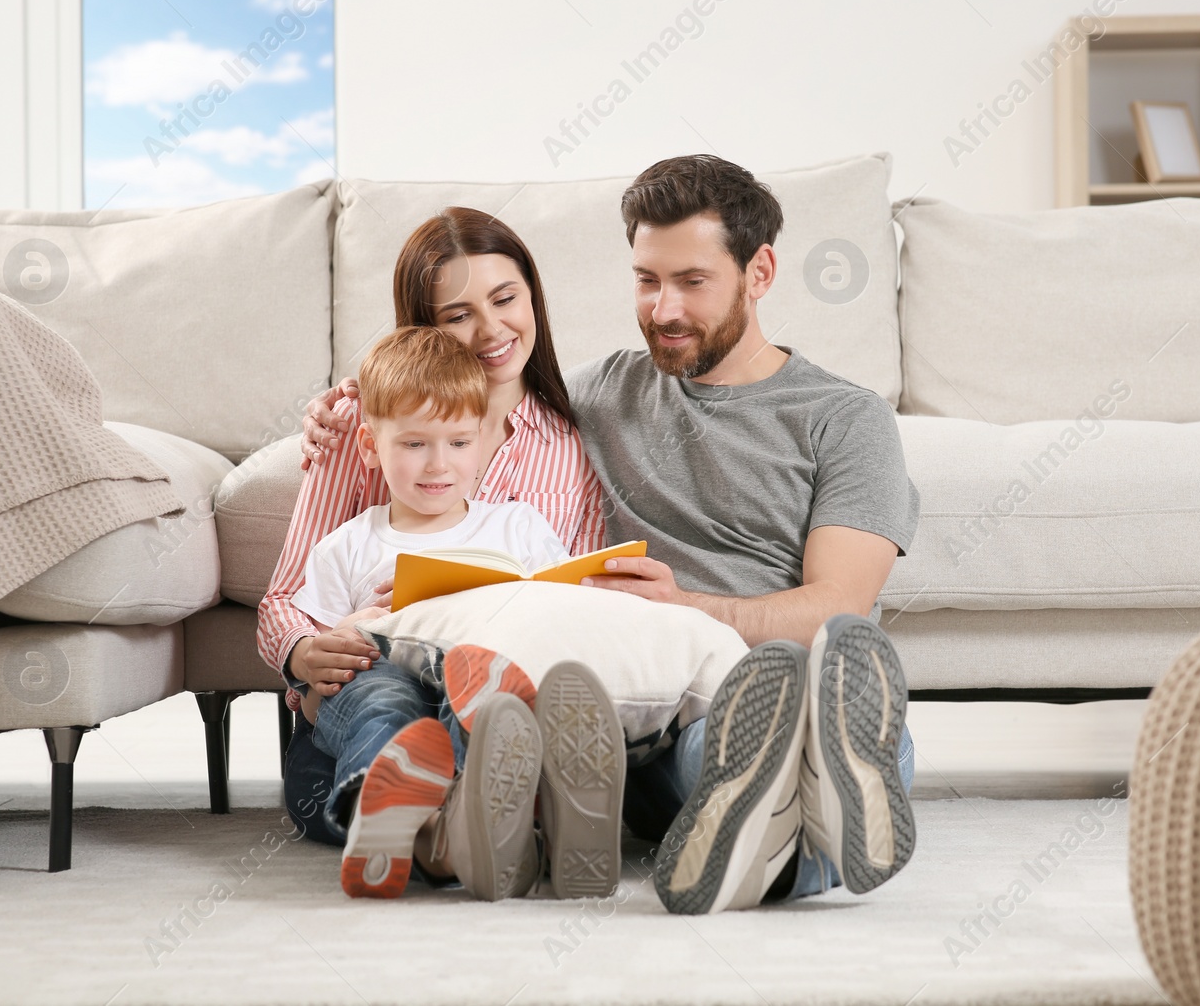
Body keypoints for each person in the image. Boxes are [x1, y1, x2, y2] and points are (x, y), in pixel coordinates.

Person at [301, 156, 922, 915]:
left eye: (692, 282)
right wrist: (345, 408)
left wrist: (687, 606)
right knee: (707, 759)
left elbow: (840, 605)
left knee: (810, 705)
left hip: (777, 669)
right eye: (646, 280)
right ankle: (803, 831)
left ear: (759, 271)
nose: (663, 309)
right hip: (665, 715)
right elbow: (455, 390)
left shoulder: (846, 419)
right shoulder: (599, 393)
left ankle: (812, 787)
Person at [258, 208, 618, 901]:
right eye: (457, 316)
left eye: (506, 299)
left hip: (488, 700)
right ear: (424, 327)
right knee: (382, 710)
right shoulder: (365, 421)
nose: (489, 330)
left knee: (493, 706)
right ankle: (452, 828)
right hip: (368, 696)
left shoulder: (573, 448)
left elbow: (579, 603)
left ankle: (458, 831)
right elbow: (289, 599)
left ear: (532, 298)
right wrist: (304, 655)